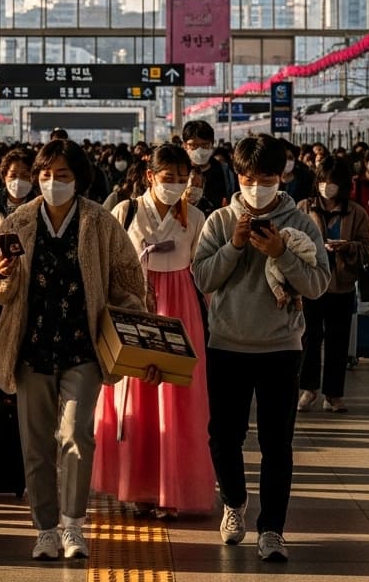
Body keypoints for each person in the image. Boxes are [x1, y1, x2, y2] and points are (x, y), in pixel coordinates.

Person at [0, 139, 147, 562]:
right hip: (31, 346)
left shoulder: (100, 222)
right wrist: (1, 274)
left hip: (82, 346)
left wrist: (131, 322)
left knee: (76, 434)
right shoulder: (18, 221)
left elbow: (129, 279)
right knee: (35, 443)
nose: (52, 182)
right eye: (46, 174)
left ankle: (73, 524)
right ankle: (45, 529)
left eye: (63, 175)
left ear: (79, 179)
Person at [192, 134, 332, 563]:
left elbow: (318, 283)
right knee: (223, 437)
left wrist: (282, 252)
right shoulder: (219, 221)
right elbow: (203, 278)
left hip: (280, 347)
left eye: (266, 179)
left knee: (277, 443)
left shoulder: (302, 223)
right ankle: (234, 502)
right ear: (237, 176)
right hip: (227, 344)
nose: (257, 188)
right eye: (249, 179)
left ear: (281, 177)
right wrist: (235, 247)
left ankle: (272, 529)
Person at [94, 145, 215, 518]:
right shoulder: (124, 211)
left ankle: (171, 490)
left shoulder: (196, 217)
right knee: (135, 396)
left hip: (180, 309)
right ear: (150, 176)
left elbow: (204, 272)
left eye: (182, 179)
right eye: (168, 178)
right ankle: (139, 487)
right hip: (134, 306)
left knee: (176, 399)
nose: (176, 185)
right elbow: (107, 262)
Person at [296, 158, 369, 413]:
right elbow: (291, 240)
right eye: (323, 181)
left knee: (338, 341)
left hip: (342, 285)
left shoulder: (356, 212)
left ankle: (334, 394)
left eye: (333, 182)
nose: (327, 186)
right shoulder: (304, 208)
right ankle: (308, 389)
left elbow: (366, 247)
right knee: (310, 336)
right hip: (311, 284)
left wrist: (348, 247)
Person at [0, 148, 38, 240]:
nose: (18, 181)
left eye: (24, 175)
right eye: (13, 176)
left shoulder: (39, 204)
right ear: (4, 176)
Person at [182, 121, 233, 208]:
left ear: (212, 144)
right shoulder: (179, 172)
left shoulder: (226, 172)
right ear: (185, 145)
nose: (199, 150)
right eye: (193, 145)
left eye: (205, 145)